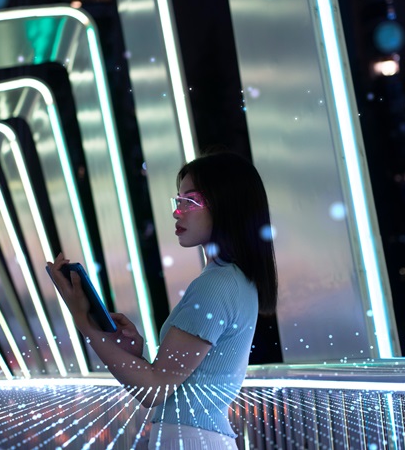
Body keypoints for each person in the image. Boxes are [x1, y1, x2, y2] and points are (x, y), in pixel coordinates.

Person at [48, 151, 278, 450]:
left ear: (227, 204)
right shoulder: (233, 280)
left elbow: (154, 390)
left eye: (190, 201)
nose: (177, 211)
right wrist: (136, 353)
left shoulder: (216, 285)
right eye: (178, 200)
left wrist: (85, 323)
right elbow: (167, 384)